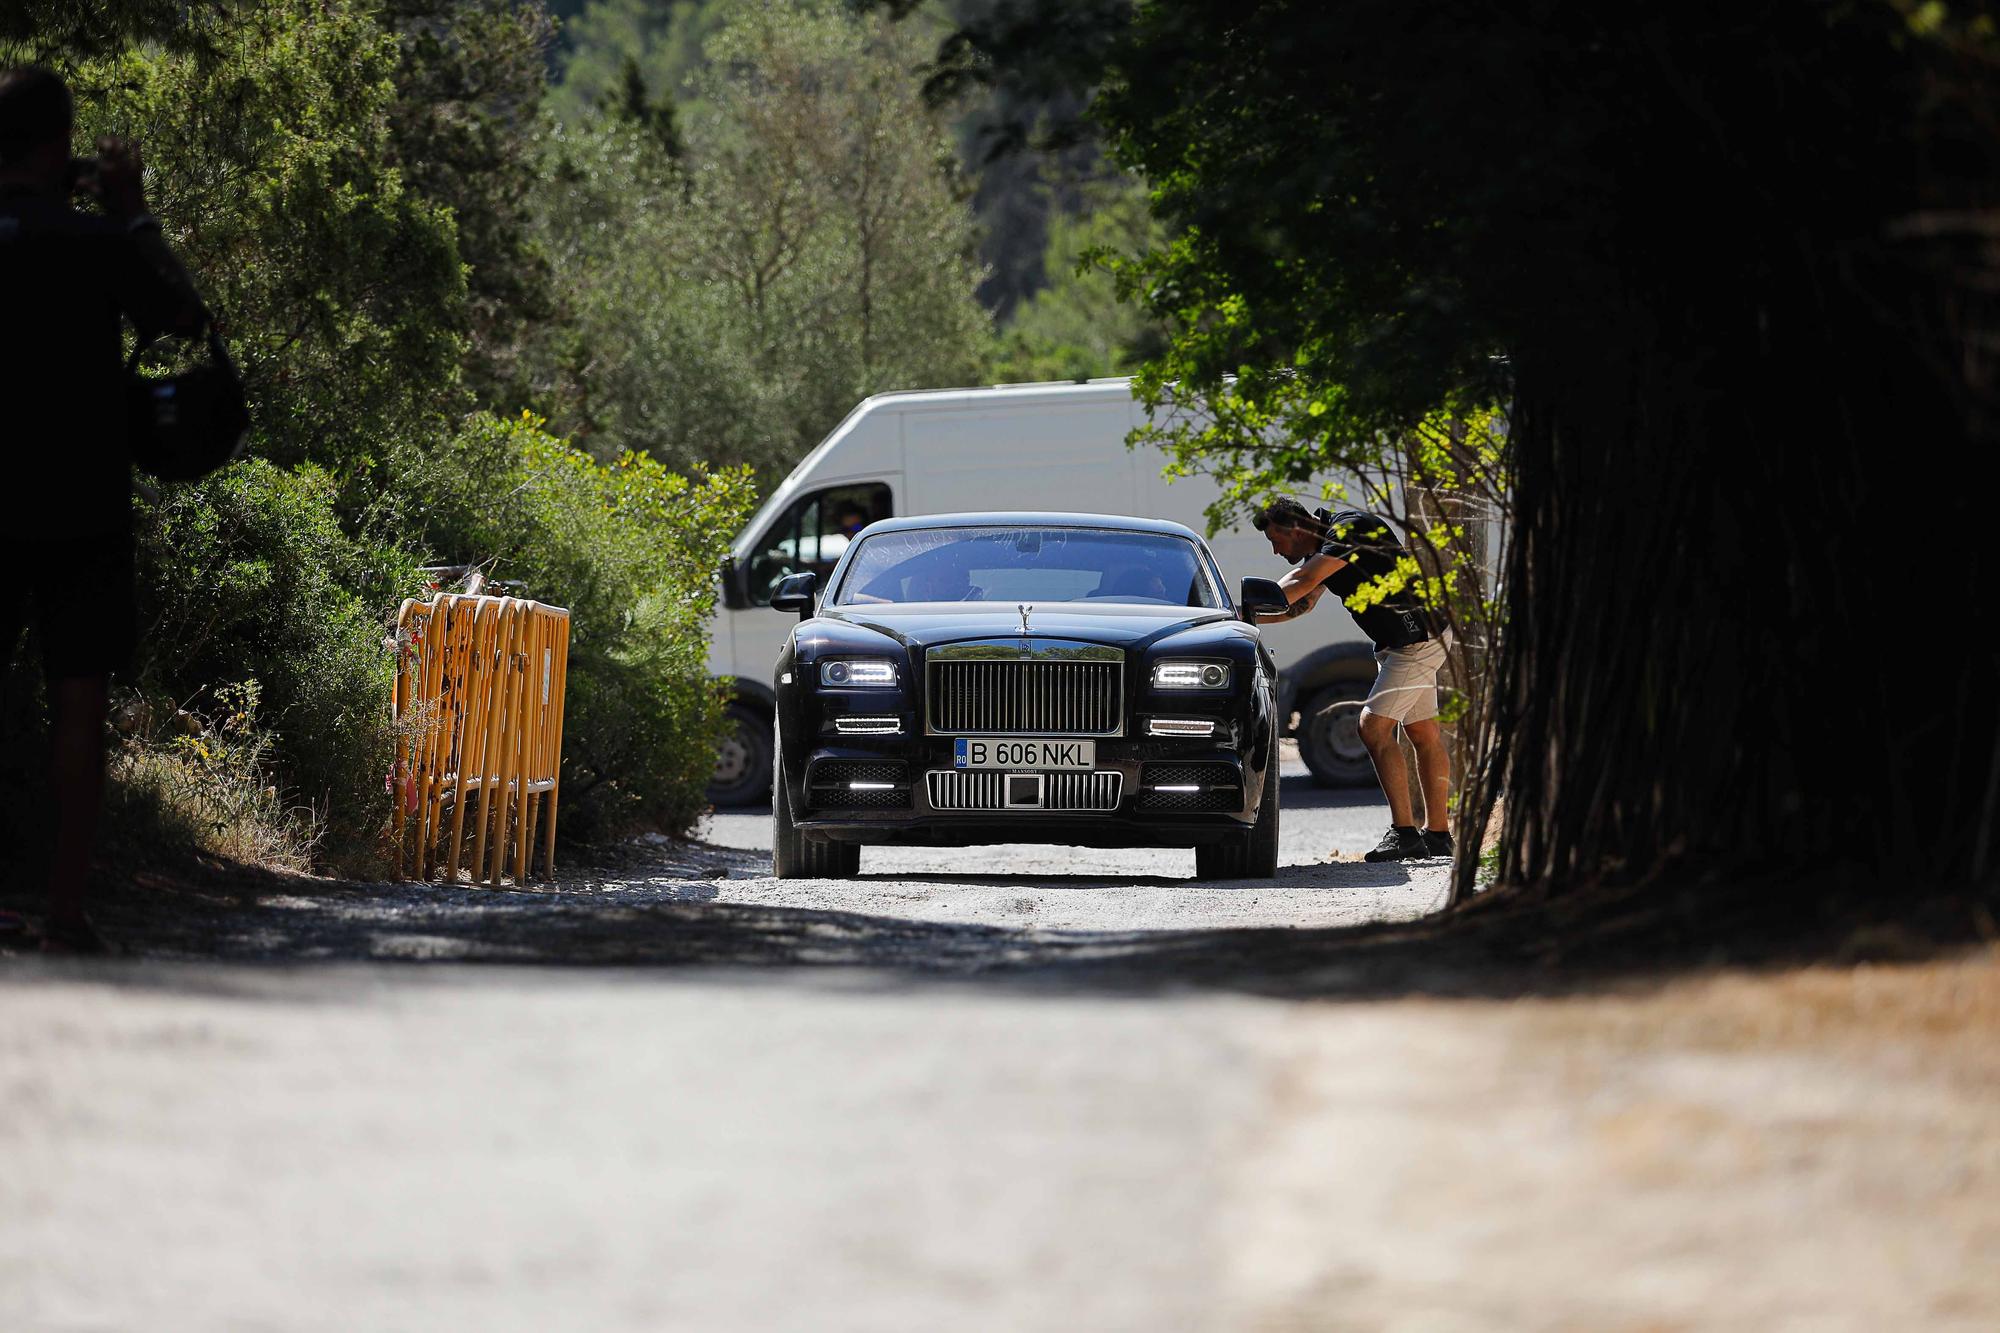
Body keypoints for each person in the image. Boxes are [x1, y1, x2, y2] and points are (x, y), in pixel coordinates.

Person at [0, 67, 207, 953]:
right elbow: (181, 316)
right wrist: (131, 210)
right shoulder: (94, 242)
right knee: (78, 699)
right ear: (61, 143)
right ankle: (66, 911)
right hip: (80, 502)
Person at [1253, 498, 1452, 863]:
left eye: (1275, 541)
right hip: (1403, 643)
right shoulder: (1328, 546)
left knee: (1372, 728)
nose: (1276, 551)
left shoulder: (1349, 529)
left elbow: (1302, 580)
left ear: (1295, 530)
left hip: (1416, 640)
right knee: (1423, 733)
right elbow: (1302, 603)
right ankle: (1438, 835)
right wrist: (1245, 618)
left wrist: (1247, 604)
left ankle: (1405, 834)